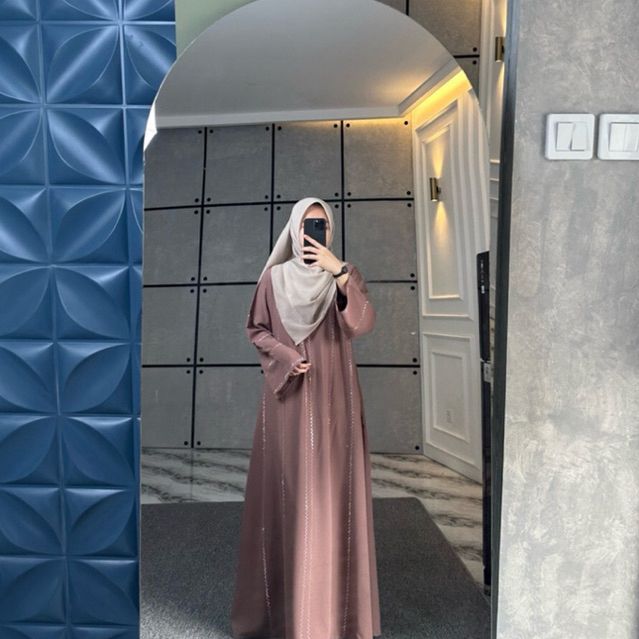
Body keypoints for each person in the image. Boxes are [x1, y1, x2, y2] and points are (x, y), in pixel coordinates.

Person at [230, 197, 382, 639]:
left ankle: (336, 618)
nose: (315, 233)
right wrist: (285, 355)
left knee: (332, 490)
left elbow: (362, 323)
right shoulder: (273, 278)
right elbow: (256, 329)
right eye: (307, 225)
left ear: (330, 232)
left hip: (335, 396)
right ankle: (288, 613)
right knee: (293, 491)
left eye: (323, 226)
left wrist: (340, 272)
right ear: (294, 230)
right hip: (291, 398)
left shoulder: (344, 275)